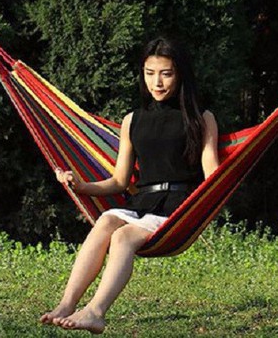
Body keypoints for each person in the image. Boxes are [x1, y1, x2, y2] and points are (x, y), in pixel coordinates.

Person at [39, 37, 220, 334]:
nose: (157, 82)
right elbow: (120, 181)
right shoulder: (132, 120)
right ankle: (67, 304)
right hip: (141, 204)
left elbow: (212, 172)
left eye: (166, 74)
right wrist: (81, 186)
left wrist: (219, 193)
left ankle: (96, 312)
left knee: (122, 237)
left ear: (180, 75)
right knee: (106, 220)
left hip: (178, 208)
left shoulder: (201, 118)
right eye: (150, 73)